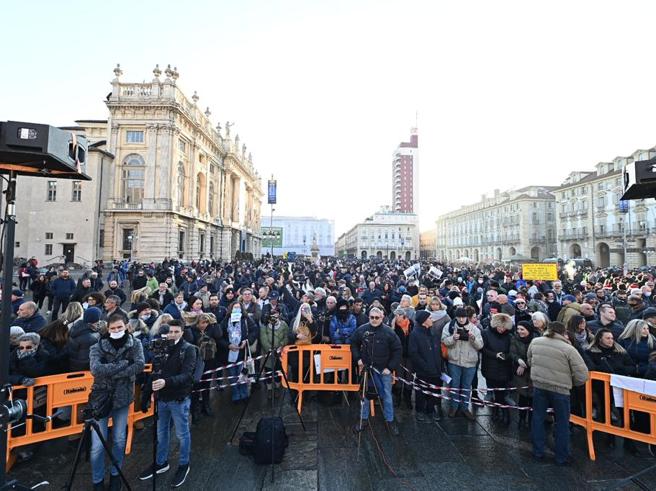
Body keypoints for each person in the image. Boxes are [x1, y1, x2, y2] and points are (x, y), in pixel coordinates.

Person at [88, 314, 145, 491]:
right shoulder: (97, 346)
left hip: (122, 398)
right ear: (108, 329)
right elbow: (96, 369)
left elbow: (139, 365)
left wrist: (111, 371)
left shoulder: (135, 344)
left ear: (126, 326)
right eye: (113, 328)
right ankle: (97, 480)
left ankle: (115, 475)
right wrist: (123, 365)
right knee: (98, 444)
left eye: (119, 327)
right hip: (101, 398)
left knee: (119, 440)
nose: (116, 331)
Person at [138, 323, 196, 488]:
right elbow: (154, 372)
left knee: (182, 434)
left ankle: (184, 464)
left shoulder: (188, 349)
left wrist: (166, 382)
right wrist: (146, 395)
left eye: (176, 331)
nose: (173, 334)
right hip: (162, 399)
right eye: (170, 332)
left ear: (182, 332)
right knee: (161, 432)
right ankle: (161, 462)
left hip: (178, 398)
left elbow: (187, 374)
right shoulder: (161, 348)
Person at [527, 321, 588, 466]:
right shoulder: (569, 349)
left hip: (539, 385)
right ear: (563, 333)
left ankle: (538, 451)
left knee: (538, 418)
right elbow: (582, 374)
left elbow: (530, 360)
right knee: (562, 423)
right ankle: (561, 456)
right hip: (561, 389)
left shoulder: (535, 342)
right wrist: (573, 383)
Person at [351, 307, 402, 435]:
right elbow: (353, 343)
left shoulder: (389, 332)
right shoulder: (362, 329)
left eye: (376, 317)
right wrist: (358, 359)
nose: (374, 320)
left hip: (383, 369)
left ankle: (390, 420)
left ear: (382, 317)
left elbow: (397, 350)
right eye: (371, 317)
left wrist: (390, 367)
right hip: (367, 369)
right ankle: (363, 419)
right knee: (365, 396)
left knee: (387, 396)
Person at [441, 307, 483, 420]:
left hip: (470, 362)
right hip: (454, 361)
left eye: (463, 317)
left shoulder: (474, 329)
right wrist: (452, 338)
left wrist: (473, 339)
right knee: (454, 385)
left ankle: (464, 408)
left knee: (466, 386)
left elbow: (480, 346)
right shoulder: (449, 326)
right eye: (459, 317)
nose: (461, 319)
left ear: (467, 317)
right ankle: (454, 407)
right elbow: (444, 341)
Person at [408, 310, 444, 422]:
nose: (432, 320)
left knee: (434, 391)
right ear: (424, 321)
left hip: (436, 369)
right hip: (423, 370)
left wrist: (440, 366)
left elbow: (438, 351)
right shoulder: (415, 334)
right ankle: (420, 411)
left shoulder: (433, 332)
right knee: (421, 391)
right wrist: (425, 366)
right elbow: (414, 353)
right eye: (429, 318)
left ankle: (431, 409)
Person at [219, 301, 257, 403]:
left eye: (238, 308)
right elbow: (220, 336)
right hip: (230, 352)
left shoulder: (246, 319)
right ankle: (235, 393)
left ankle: (244, 394)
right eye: (234, 308)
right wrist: (228, 345)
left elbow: (254, 330)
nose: (236, 309)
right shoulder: (225, 320)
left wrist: (247, 340)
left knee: (242, 373)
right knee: (232, 375)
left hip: (242, 351)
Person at [481, 313, 514, 425]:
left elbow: (512, 351)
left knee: (502, 393)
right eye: (499, 327)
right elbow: (483, 349)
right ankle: (496, 411)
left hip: (505, 367)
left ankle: (504, 412)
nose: (501, 329)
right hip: (490, 366)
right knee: (495, 391)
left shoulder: (509, 336)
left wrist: (506, 356)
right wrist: (495, 355)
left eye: (504, 327)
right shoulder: (486, 333)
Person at [509, 321, 536, 429]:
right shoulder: (515, 339)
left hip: (533, 371)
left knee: (533, 398)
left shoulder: (536, 340)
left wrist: (524, 364)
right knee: (523, 397)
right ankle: (521, 418)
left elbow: (536, 355)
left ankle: (531, 420)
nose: (519, 331)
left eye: (522, 329)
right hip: (520, 374)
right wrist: (518, 360)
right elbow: (512, 353)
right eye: (518, 329)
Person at [66, 307, 102, 372]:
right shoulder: (90, 339)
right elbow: (85, 360)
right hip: (80, 370)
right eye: (98, 320)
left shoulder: (76, 326)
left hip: (71, 363)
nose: (99, 321)